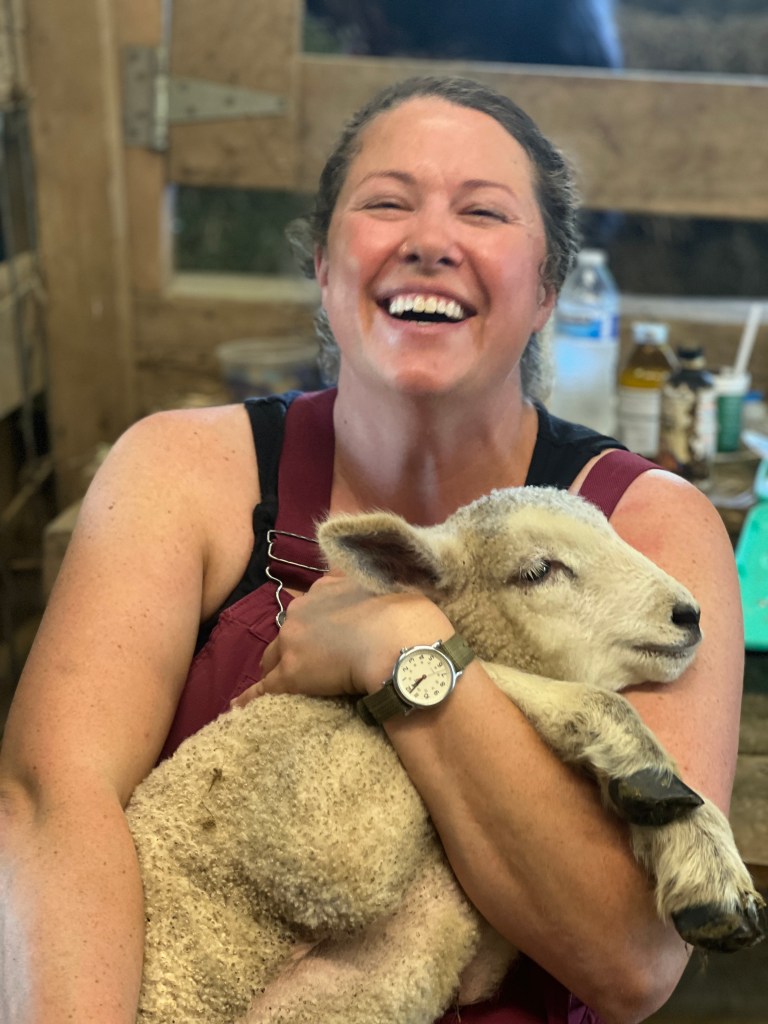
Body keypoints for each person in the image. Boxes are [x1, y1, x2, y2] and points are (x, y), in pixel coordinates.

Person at [0, 76, 744, 1024]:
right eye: (387, 203)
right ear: (323, 262)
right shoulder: (180, 471)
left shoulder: (647, 523)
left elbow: (633, 961)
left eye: (483, 211)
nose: (430, 239)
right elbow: (53, 801)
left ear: (547, 289)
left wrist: (402, 647)